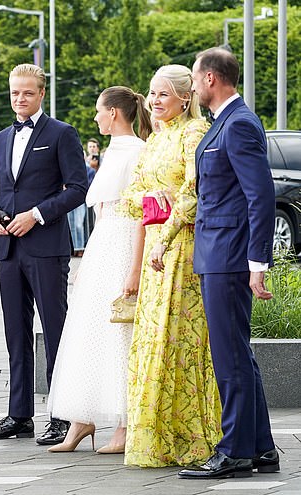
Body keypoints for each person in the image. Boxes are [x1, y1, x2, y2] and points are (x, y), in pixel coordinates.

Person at [179, 47, 279, 479]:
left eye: (197, 79)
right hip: (218, 251)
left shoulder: (237, 124)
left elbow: (261, 196)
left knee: (229, 356)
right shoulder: (225, 123)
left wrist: (258, 262)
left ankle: (235, 449)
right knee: (238, 353)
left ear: (211, 79)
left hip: (229, 255)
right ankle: (260, 448)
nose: (195, 86)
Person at [0, 63, 88, 444]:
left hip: (45, 247)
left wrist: (36, 215)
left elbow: (77, 189)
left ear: (41, 94)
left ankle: (62, 415)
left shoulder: (61, 133)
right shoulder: (0, 138)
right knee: (15, 334)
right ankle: (18, 415)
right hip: (8, 247)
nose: (19, 99)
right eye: (14, 93)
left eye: (27, 92)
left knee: (56, 331)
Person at [120, 64, 221, 467]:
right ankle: (159, 436)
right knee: (152, 341)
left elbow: (195, 190)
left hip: (181, 247)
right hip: (154, 252)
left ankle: (192, 435)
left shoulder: (193, 133)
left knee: (178, 340)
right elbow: (130, 198)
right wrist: (157, 199)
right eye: (151, 93)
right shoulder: (154, 140)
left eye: (162, 94)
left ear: (184, 97)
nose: (154, 101)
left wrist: (163, 214)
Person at [47, 86, 151, 454]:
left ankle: (124, 424)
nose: (95, 118)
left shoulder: (138, 151)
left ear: (114, 113)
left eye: (98, 111)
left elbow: (139, 212)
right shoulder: (113, 151)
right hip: (104, 242)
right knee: (89, 328)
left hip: (123, 244)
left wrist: (135, 268)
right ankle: (82, 418)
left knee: (118, 333)